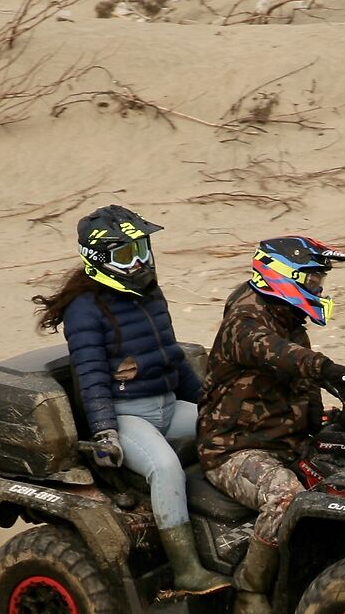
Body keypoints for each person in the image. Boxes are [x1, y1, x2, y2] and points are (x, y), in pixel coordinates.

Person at [31, 204, 229, 594]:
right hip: (128, 417)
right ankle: (186, 570)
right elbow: (90, 377)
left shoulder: (150, 294)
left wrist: (211, 402)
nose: (139, 262)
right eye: (125, 254)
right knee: (166, 468)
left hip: (168, 405)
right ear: (99, 259)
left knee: (233, 427)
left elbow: (174, 358)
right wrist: (106, 432)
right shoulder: (84, 310)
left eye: (143, 249)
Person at [198, 235, 345, 614]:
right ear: (284, 277)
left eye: (319, 282)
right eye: (312, 281)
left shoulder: (287, 317)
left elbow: (296, 380)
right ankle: (250, 593)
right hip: (234, 448)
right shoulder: (245, 321)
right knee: (285, 497)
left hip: (284, 440)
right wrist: (327, 369)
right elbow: (274, 353)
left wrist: (339, 410)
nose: (318, 289)